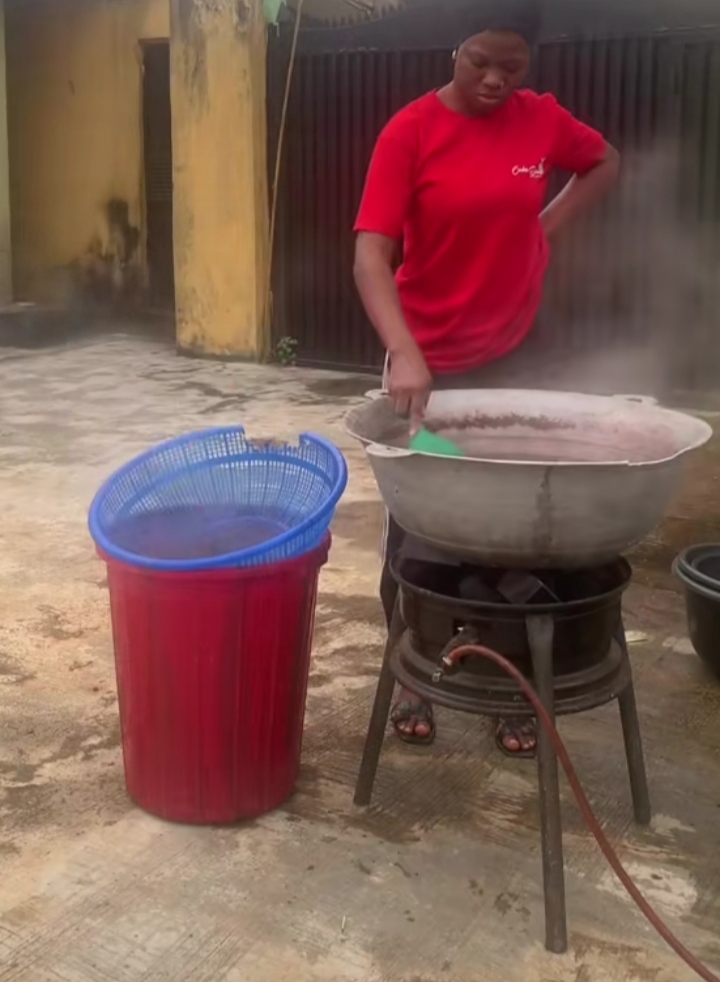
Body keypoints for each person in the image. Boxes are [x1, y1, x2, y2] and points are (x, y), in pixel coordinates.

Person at [353, 3, 620, 754]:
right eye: (481, 62)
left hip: (516, 356)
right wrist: (404, 349)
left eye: (513, 65)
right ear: (454, 49)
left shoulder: (543, 120)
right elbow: (371, 256)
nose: (497, 79)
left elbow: (603, 161)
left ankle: (511, 684)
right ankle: (413, 674)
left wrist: (546, 230)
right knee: (426, 530)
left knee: (515, 533)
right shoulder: (410, 131)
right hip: (428, 370)